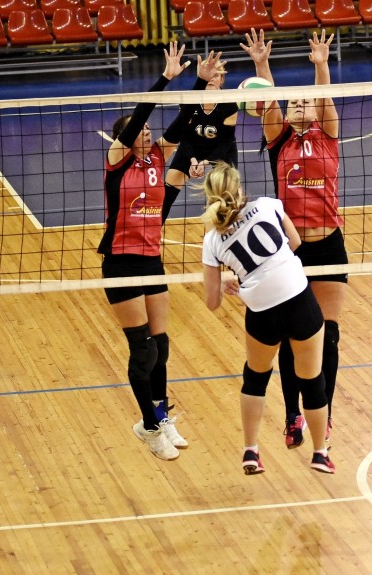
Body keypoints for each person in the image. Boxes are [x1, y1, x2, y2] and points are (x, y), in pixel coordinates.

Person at [99, 42, 209, 461]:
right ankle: (147, 426)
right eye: (140, 130)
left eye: (147, 130)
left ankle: (161, 416)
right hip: (120, 262)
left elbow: (184, 120)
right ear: (126, 138)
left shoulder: (157, 159)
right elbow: (143, 111)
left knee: (160, 345)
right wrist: (165, 78)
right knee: (142, 348)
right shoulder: (118, 160)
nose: (146, 132)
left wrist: (199, 83)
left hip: (151, 260)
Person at [241, 28, 346, 451]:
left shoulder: (328, 135)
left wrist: (321, 65)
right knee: (292, 336)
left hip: (329, 244)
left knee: (328, 336)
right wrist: (261, 64)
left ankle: (324, 411)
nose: (299, 104)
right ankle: (291, 414)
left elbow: (324, 97)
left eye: (306, 101)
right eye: (293, 102)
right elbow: (267, 99)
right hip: (291, 251)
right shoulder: (278, 139)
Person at [200, 162, 334, 475]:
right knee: (312, 379)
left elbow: (212, 303)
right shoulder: (268, 205)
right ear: (238, 188)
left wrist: (226, 281)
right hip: (298, 300)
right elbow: (296, 243)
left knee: (256, 378)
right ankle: (320, 454)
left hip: (262, 311)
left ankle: (250, 451)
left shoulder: (212, 240)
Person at [160, 51, 239, 224]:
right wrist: (193, 159)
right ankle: (153, 229)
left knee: (229, 191)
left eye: (216, 75)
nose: (211, 78)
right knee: (166, 191)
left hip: (221, 149)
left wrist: (205, 162)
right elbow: (185, 136)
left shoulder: (230, 104)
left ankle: (229, 229)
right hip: (192, 146)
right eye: (209, 74)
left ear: (222, 80)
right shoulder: (189, 101)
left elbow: (225, 142)